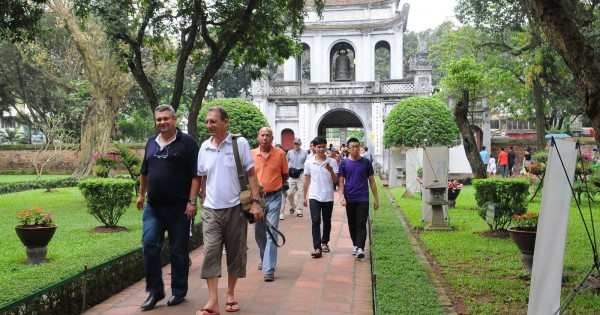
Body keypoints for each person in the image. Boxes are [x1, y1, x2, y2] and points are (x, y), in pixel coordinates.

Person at [196, 106, 264, 315]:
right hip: (211, 211)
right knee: (211, 252)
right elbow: (202, 176)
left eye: (213, 121)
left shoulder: (239, 143)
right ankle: (213, 301)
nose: (209, 125)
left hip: (235, 208)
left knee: (235, 252)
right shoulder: (204, 147)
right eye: (207, 121)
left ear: (225, 122)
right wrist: (203, 198)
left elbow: (251, 174)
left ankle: (231, 294)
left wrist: (255, 201)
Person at [136, 104, 200, 311]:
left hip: (179, 208)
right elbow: (144, 172)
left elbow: (196, 174)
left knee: (178, 252)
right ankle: (155, 291)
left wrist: (192, 201)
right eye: (158, 119)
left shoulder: (187, 142)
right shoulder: (151, 143)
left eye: (166, 118)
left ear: (174, 119)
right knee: (149, 245)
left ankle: (179, 292)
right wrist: (141, 195)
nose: (162, 122)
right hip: (153, 208)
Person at [252, 127, 289, 282]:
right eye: (262, 135)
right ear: (258, 137)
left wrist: (275, 185)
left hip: (274, 197)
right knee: (258, 232)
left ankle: (269, 269)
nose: (265, 138)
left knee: (272, 232)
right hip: (257, 199)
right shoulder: (251, 154)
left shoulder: (279, 154)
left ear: (272, 138)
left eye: (268, 135)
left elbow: (285, 175)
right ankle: (264, 257)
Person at [338, 138, 379, 259]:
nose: (355, 149)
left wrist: (376, 199)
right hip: (350, 197)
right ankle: (355, 244)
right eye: (352, 147)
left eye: (357, 146)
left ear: (360, 147)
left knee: (361, 222)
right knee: (352, 223)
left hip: (363, 197)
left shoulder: (366, 162)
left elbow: (372, 181)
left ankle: (360, 247)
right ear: (348, 149)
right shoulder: (344, 163)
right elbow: (341, 182)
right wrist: (341, 197)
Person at [303, 136, 338, 258]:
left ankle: (325, 242)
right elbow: (306, 180)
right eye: (319, 147)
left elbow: (335, 180)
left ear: (326, 147)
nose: (321, 149)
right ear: (314, 148)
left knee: (327, 220)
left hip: (328, 196)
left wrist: (331, 170)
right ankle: (317, 247)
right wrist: (304, 197)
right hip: (314, 196)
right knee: (315, 220)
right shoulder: (309, 162)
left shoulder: (332, 162)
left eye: (323, 147)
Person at [287, 138, 308, 217]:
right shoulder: (289, 152)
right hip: (291, 175)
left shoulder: (305, 153)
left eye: (297, 144)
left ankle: (299, 210)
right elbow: (286, 162)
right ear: (293, 144)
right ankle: (293, 206)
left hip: (300, 175)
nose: (296, 145)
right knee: (289, 193)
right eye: (295, 143)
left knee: (300, 193)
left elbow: (307, 163)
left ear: (300, 144)